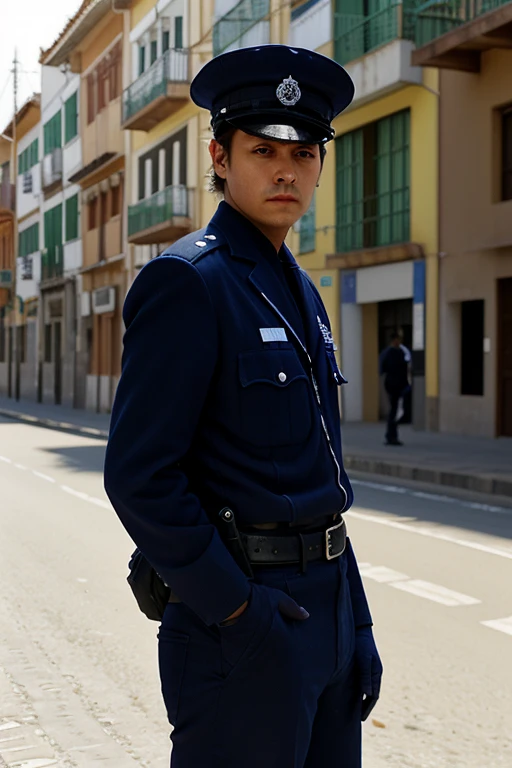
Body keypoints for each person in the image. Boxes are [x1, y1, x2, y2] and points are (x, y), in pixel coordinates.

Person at [104, 45, 382, 768]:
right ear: (220, 158)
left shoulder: (297, 288)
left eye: (304, 153)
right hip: (242, 623)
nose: (287, 170)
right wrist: (235, 608)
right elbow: (140, 476)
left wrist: (355, 623)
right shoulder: (187, 283)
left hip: (326, 612)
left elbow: (322, 475)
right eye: (263, 150)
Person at [380, 331, 411, 446]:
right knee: (394, 411)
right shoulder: (390, 353)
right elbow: (384, 368)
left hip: (399, 385)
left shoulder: (400, 352)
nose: (399, 342)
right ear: (394, 340)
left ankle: (392, 435)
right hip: (393, 385)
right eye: (397, 340)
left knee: (396, 410)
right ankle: (391, 436)